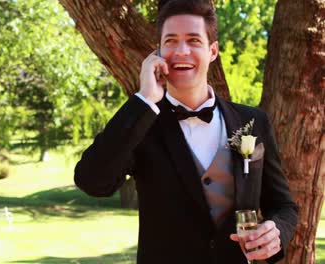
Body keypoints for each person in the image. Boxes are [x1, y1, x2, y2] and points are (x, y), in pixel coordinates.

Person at [74, 0, 298, 263]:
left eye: (193, 40)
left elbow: (284, 206)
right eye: (170, 41)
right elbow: (92, 181)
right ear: (157, 52)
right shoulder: (142, 123)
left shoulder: (253, 121)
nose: (181, 51)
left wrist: (277, 231)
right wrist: (145, 98)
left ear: (212, 51)